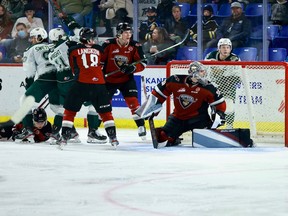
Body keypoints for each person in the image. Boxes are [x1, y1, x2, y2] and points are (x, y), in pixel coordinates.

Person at [135, 61, 226, 147]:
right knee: (162, 138)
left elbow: (219, 104)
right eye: (201, 72)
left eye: (203, 72)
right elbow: (158, 94)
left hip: (199, 120)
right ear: (194, 72)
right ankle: (174, 138)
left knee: (205, 141)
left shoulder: (208, 87)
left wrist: (219, 115)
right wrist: (151, 107)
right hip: (177, 118)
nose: (204, 74)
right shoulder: (175, 80)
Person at [59, 27, 119, 148]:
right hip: (99, 84)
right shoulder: (99, 49)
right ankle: (113, 138)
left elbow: (73, 68)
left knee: (69, 112)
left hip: (80, 84)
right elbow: (101, 65)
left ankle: (64, 137)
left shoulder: (73, 50)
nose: (94, 40)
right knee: (106, 113)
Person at [48, 27, 107, 144]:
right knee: (94, 104)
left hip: (61, 82)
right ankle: (92, 133)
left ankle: (56, 134)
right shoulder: (72, 44)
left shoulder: (52, 50)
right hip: (77, 80)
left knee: (64, 109)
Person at [2, 27, 62, 143]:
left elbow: (30, 71)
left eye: (34, 37)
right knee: (58, 107)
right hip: (59, 80)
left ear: (39, 37)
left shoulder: (32, 48)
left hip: (45, 79)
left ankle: (28, 131)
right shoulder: (54, 46)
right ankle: (57, 133)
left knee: (25, 101)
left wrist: (29, 85)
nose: (32, 40)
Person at [101, 22, 147, 140]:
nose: (129, 35)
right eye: (126, 32)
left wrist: (133, 68)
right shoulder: (108, 44)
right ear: (119, 34)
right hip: (109, 80)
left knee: (133, 103)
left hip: (126, 79)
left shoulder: (135, 45)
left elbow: (143, 63)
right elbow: (100, 61)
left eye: (130, 32)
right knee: (104, 105)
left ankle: (141, 126)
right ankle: (94, 130)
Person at [204, 38, 240, 129]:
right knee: (213, 105)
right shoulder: (210, 55)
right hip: (214, 83)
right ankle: (213, 124)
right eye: (223, 47)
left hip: (228, 84)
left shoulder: (235, 59)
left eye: (228, 47)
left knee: (230, 106)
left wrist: (220, 72)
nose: (225, 49)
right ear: (218, 48)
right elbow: (205, 70)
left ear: (230, 49)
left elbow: (237, 76)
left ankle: (229, 126)